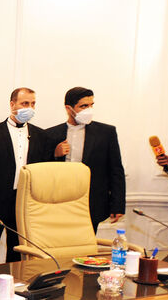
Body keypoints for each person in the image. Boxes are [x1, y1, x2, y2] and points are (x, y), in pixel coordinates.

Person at [0, 87, 52, 263]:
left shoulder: (41, 135)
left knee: (18, 254)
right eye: (25, 103)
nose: (29, 108)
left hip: (24, 202)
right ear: (12, 104)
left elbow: (44, 171)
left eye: (33, 104)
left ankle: (14, 281)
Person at [46, 87, 125, 232]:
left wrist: (117, 205)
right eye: (83, 106)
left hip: (92, 202)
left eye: (91, 105)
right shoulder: (50, 134)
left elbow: (116, 170)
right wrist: (55, 154)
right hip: (60, 201)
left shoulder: (106, 133)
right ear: (69, 108)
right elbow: (42, 170)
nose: (89, 110)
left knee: (85, 243)